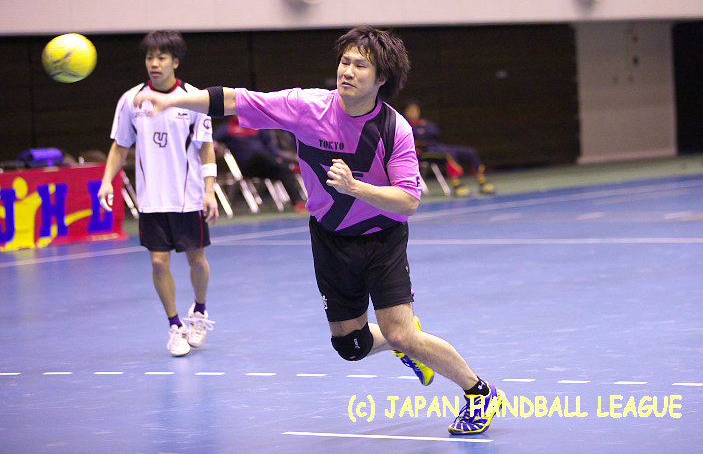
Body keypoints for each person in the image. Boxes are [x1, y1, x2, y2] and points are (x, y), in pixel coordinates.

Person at [134, 26, 504, 434]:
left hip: (382, 238)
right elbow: (236, 99)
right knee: (351, 346)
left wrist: (356, 188)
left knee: (400, 332)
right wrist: (172, 100)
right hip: (329, 237)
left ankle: (479, 392)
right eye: (345, 61)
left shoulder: (393, 129)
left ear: (381, 78)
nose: (348, 71)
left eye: (360, 65)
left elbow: (409, 201)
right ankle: (403, 341)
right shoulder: (306, 107)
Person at [98, 30, 219, 357]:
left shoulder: (194, 98)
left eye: (161, 58)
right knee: (157, 262)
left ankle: (199, 310)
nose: (154, 63)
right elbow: (120, 146)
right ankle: (175, 325)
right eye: (149, 57)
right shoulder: (131, 100)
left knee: (197, 260)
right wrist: (107, 180)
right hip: (151, 200)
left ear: (175, 62)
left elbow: (206, 148)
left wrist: (209, 190)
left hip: (188, 197)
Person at [403, 100, 495, 197]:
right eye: (411, 110)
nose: (414, 112)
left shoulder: (425, 123)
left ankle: (483, 182)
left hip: (439, 147)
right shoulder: (405, 126)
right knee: (449, 154)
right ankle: (457, 185)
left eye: (416, 110)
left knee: (471, 152)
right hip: (424, 152)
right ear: (406, 112)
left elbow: (435, 131)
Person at [214, 117, 306, 212]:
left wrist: (278, 158)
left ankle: (298, 203)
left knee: (284, 171)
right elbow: (213, 142)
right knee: (259, 155)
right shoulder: (226, 129)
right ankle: (291, 167)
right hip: (247, 166)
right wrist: (217, 147)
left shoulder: (257, 127)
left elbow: (271, 148)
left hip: (267, 165)